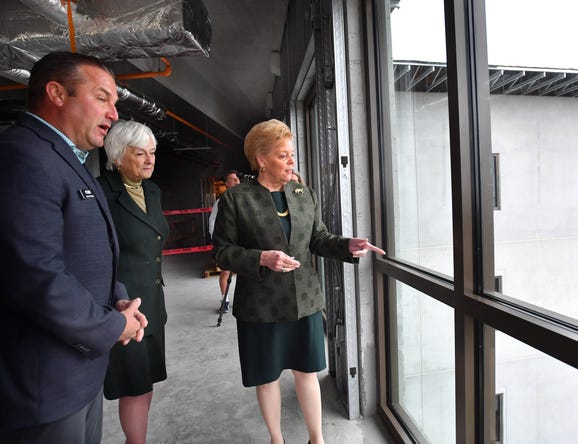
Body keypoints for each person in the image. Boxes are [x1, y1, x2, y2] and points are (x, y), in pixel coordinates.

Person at [0, 51, 147, 444]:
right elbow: (35, 273)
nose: (113, 114)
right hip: (44, 383)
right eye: (102, 98)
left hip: (77, 371)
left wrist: (116, 300)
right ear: (57, 93)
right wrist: (113, 325)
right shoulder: (24, 156)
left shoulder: (66, 158)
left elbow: (84, 250)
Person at [212, 119, 384, 444]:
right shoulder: (237, 199)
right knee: (267, 377)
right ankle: (277, 439)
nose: (292, 162)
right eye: (283, 155)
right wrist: (262, 258)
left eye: (292, 155)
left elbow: (317, 239)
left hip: (303, 301)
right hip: (260, 307)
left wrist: (347, 244)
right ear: (261, 159)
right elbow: (222, 253)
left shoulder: (304, 193)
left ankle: (316, 439)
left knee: (308, 373)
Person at [97, 120, 170, 444]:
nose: (149, 159)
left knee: (145, 382)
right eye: (140, 153)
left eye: (152, 153)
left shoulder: (152, 191)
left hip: (152, 303)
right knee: (134, 384)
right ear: (117, 155)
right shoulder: (102, 192)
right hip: (125, 306)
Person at [209, 169, 241, 312]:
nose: (235, 182)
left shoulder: (245, 198)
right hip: (227, 242)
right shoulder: (221, 201)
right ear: (226, 183)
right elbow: (213, 221)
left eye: (237, 179)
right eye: (232, 179)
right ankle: (225, 300)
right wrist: (217, 239)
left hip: (243, 243)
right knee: (226, 272)